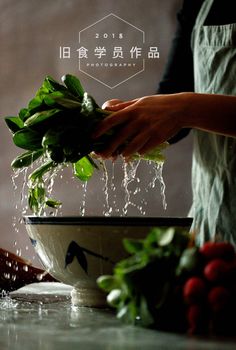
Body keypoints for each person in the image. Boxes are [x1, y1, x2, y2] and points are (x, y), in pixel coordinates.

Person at [93, 0, 236, 245]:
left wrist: (184, 109)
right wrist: (127, 120)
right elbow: (174, 93)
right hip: (216, 225)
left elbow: (180, 108)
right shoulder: (199, 3)